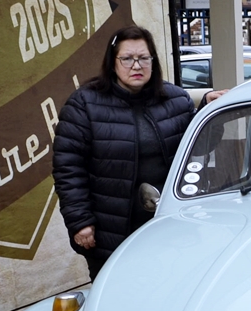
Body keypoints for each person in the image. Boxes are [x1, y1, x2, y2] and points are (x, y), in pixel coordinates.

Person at [55, 25, 196, 279]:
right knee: (116, 292)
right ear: (113, 62)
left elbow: (196, 149)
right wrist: (80, 221)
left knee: (168, 287)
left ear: (153, 61)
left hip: (167, 227)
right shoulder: (84, 104)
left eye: (144, 58)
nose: (136, 66)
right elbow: (68, 168)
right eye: (127, 58)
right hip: (111, 229)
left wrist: (207, 108)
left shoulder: (176, 101)